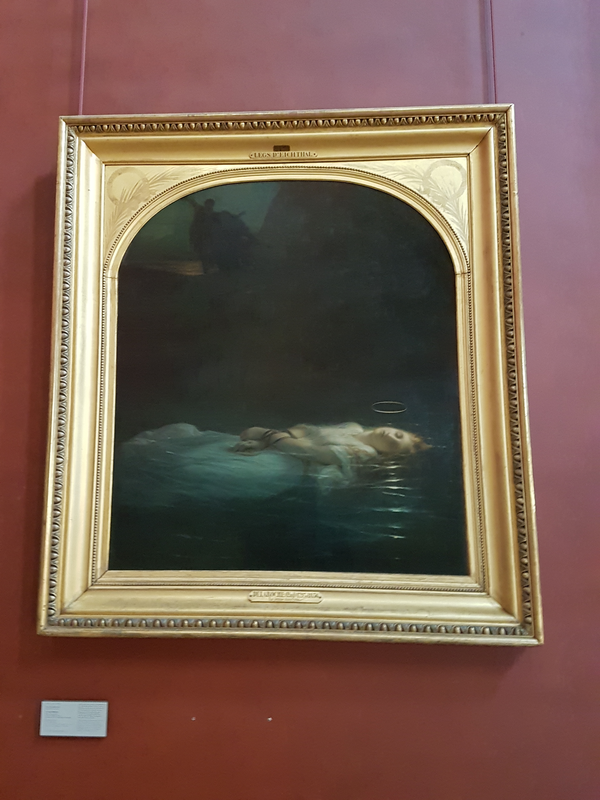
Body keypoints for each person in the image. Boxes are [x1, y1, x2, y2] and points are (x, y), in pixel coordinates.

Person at [234, 422, 429, 468]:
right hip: (277, 446)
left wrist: (267, 434)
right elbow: (307, 430)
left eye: (394, 444)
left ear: (388, 456)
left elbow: (310, 452)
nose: (391, 437)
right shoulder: (353, 427)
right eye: (398, 434)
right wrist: (263, 442)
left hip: (287, 464)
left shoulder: (364, 453)